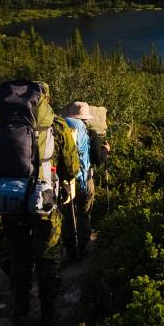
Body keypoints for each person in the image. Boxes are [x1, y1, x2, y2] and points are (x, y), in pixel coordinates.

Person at [0, 87, 80, 326]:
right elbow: (72, 167)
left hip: (10, 199)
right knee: (47, 256)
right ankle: (48, 313)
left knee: (19, 255)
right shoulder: (56, 125)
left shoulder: (3, 126)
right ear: (45, 99)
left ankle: (20, 311)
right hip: (44, 201)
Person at [62, 101, 110, 261]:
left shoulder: (59, 130)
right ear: (85, 118)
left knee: (67, 216)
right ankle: (83, 248)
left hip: (63, 182)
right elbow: (98, 160)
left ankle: (69, 251)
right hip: (84, 180)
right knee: (83, 214)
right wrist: (106, 150)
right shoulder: (91, 134)